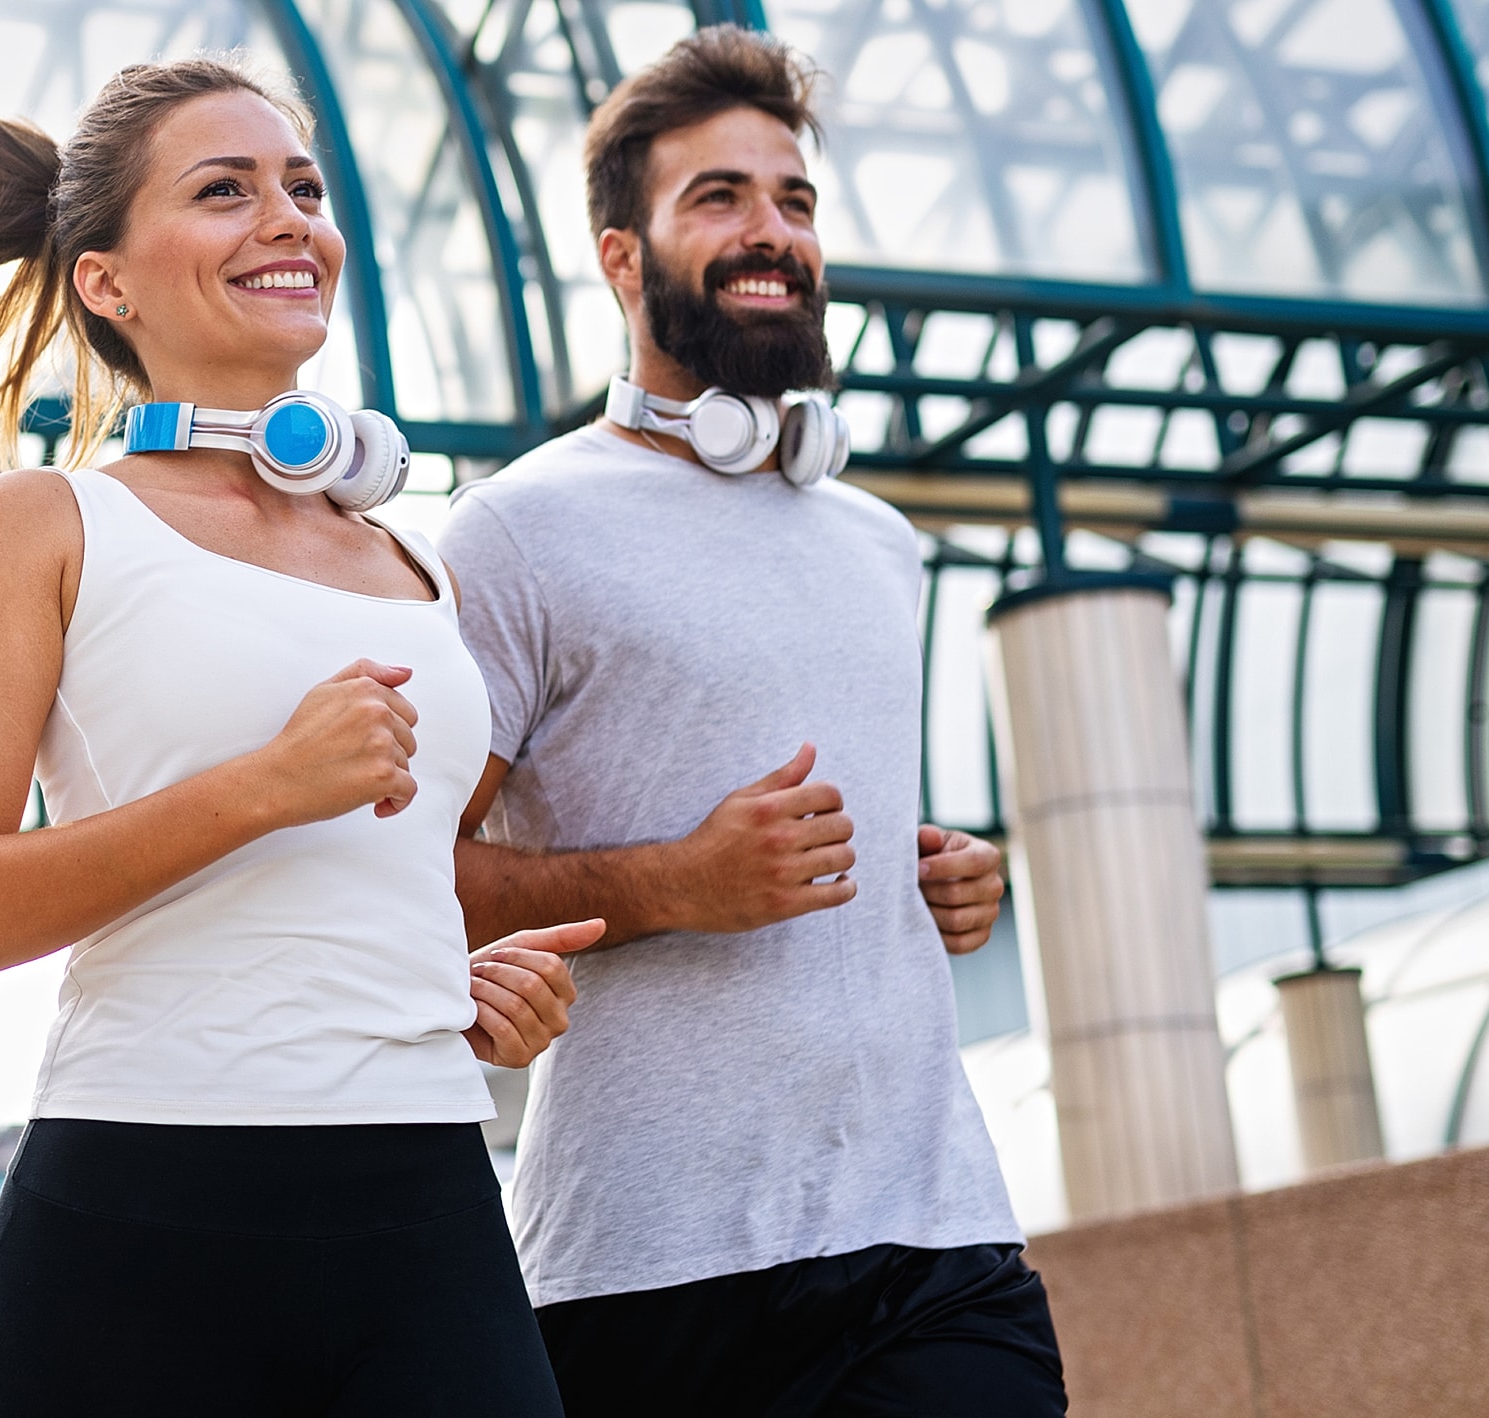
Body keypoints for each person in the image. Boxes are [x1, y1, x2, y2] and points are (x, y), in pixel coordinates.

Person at [0, 58, 597, 1417]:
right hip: (144, 1224)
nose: (289, 218)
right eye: (225, 191)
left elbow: (364, 881)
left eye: (305, 187)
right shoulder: (45, 524)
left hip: (431, 1205)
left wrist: (465, 977)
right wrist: (263, 786)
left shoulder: (419, 563)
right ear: (107, 282)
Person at [438, 25, 1066, 1418]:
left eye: (793, 198)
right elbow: (405, 875)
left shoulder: (882, 542)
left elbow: (826, 829)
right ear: (623, 258)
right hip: (649, 1269)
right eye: (717, 197)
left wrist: (933, 880)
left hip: (933, 1227)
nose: (769, 229)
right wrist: (677, 882)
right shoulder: (513, 532)